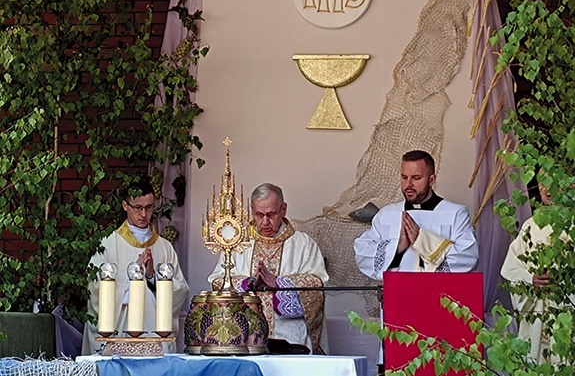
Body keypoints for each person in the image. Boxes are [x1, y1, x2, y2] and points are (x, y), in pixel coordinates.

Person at [208, 183, 329, 354]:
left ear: (283, 209)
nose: (265, 222)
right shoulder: (237, 243)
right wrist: (246, 284)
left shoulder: (303, 245)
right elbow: (217, 281)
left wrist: (280, 284)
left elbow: (317, 286)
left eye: (271, 214)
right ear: (251, 210)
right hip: (244, 338)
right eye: (259, 214)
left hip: (290, 339)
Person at [82, 179, 190, 355]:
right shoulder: (108, 243)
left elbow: (181, 289)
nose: (144, 214)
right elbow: (93, 286)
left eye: (149, 207)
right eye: (138, 207)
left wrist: (152, 278)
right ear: (125, 205)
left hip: (154, 335)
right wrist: (132, 275)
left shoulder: (164, 247)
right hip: (119, 332)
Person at [354, 150, 479, 278]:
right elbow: (363, 254)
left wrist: (422, 240)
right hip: (397, 292)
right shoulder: (387, 214)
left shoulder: (455, 214)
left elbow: (467, 257)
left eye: (416, 178)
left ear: (431, 180)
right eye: (404, 177)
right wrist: (397, 247)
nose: (408, 184)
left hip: (439, 294)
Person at [500, 178, 575, 364]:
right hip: (540, 314)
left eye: (553, 182)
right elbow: (511, 268)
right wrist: (531, 279)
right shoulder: (532, 225)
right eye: (541, 184)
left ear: (571, 183)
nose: (546, 190)